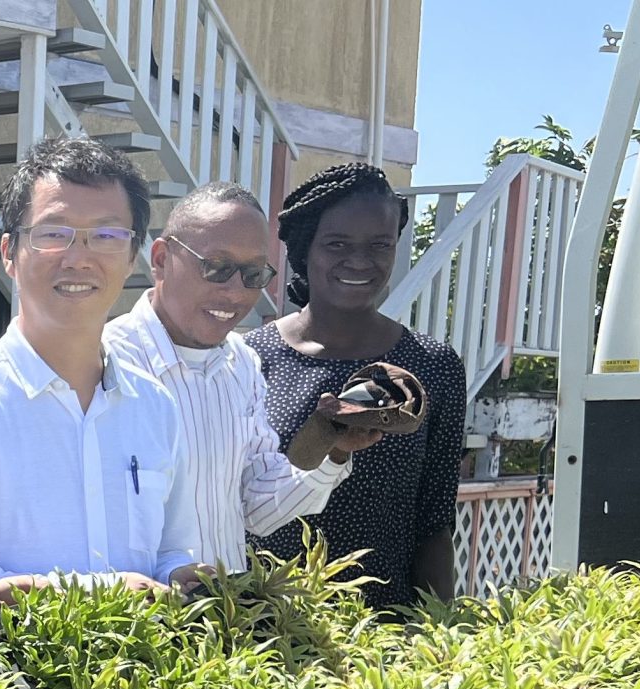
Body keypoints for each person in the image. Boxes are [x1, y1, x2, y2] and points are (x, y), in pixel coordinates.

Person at [0, 137, 208, 620]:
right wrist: (95, 596)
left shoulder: (155, 406)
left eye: (107, 235)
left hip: (144, 686)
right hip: (2, 686)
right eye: (54, 234)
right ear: (9, 251)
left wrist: (182, 578)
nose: (79, 257)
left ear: (133, 257)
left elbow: (172, 552)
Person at [104, 182, 426, 572]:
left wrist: (333, 447)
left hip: (225, 621)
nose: (235, 292)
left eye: (253, 274)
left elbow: (258, 509)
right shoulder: (103, 361)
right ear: (160, 258)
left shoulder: (242, 363)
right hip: (133, 624)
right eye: (217, 267)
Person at [248, 163, 469, 605]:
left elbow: (434, 521)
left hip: (387, 637)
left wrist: (441, 635)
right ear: (304, 248)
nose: (360, 261)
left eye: (379, 245)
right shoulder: (248, 360)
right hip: (268, 631)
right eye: (338, 244)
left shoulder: (433, 366)